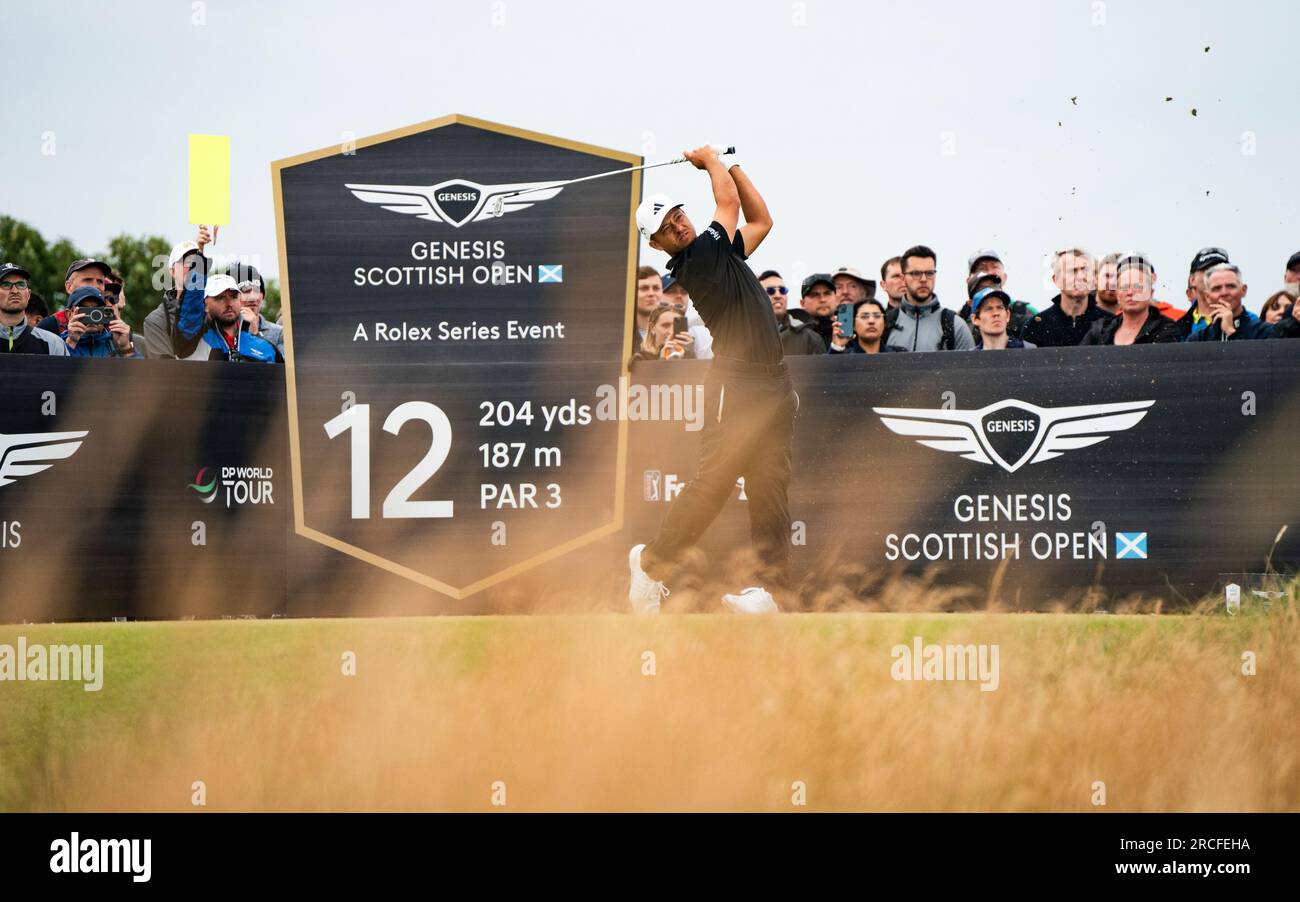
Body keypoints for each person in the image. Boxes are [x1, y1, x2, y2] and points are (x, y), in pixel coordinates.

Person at [629, 145, 794, 616]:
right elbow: (729, 205)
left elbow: (761, 221)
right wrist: (711, 162)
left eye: (678, 214)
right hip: (736, 384)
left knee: (770, 486)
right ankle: (651, 565)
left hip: (774, 384)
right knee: (714, 483)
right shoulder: (700, 256)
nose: (679, 224)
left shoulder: (720, 252)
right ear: (658, 245)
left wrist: (735, 163)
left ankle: (770, 592)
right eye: (667, 227)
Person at [171, 258, 282, 362]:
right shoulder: (193, 340)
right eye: (220, 298)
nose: (229, 304)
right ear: (204, 305)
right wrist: (199, 257)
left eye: (234, 297)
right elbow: (190, 306)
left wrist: (256, 335)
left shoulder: (266, 347)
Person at [884, 245, 974, 352]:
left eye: (929, 273)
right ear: (903, 279)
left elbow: (971, 368)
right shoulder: (884, 325)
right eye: (916, 273)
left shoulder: (955, 326)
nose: (923, 279)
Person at [1080, 256, 1180, 345]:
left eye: (1137, 286)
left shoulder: (1165, 329)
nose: (1130, 292)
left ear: (1151, 292)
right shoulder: (1100, 330)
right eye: (1124, 287)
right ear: (1118, 294)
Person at [1021, 248, 1110, 347]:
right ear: (1056, 280)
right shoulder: (1036, 326)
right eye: (1072, 271)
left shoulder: (1110, 323)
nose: (1080, 277)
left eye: (1085, 270)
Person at [1187, 264, 1298, 341]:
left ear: (1243, 290)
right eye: (1217, 288)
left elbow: (1258, 370)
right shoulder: (1197, 339)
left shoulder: (1265, 332)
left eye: (1231, 286)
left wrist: (1231, 331)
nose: (1224, 292)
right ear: (1207, 296)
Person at [142, 230, 208, 359]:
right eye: (186, 262)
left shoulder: (212, 311)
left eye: (196, 263)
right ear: (172, 271)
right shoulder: (154, 321)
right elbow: (164, 370)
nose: (192, 267)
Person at [961, 249, 1036, 335]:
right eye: (981, 269)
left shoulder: (1025, 311)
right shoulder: (957, 321)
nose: (989, 272)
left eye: (994, 267)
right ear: (969, 280)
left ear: (1005, 276)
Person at [0, 262, 66, 355]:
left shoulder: (53, 344)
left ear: (28, 294)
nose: (15, 291)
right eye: (6, 285)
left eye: (21, 284)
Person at [224, 262, 285, 359]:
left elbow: (282, 370)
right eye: (245, 290)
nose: (252, 297)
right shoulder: (220, 330)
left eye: (257, 290)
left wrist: (255, 336)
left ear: (263, 295)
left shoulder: (279, 332)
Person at [59, 286, 141, 357]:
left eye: (97, 309)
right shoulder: (56, 342)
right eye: (85, 310)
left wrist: (126, 348)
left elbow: (140, 373)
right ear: (69, 314)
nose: (93, 315)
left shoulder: (116, 341)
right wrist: (70, 343)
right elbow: (56, 371)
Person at [760, 269, 825, 355]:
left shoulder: (811, 339)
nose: (778, 295)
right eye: (770, 291)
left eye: (782, 290)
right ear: (757, 297)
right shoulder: (742, 335)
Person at [1173, 246, 1231, 339]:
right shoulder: (1176, 329)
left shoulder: (1249, 321)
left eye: (1221, 270)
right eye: (1208, 270)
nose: (1215, 275)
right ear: (1192, 280)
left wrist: (1231, 332)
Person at [661, 273, 714, 358]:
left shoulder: (703, 337)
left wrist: (690, 354)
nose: (679, 296)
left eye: (684, 291)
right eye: (671, 291)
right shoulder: (643, 333)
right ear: (658, 295)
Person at [828, 297, 904, 354]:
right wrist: (837, 347)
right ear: (853, 325)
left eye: (877, 316)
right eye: (864, 317)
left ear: (884, 323)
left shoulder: (900, 354)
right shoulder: (843, 357)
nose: (871, 321)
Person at [970, 288, 1035, 349]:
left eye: (1000, 308)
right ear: (975, 319)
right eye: (988, 309)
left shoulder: (1029, 350)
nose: (996, 313)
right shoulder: (969, 358)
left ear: (1007, 315)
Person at [789, 272, 837, 348]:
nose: (822, 299)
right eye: (814, 294)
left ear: (836, 298)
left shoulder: (851, 332)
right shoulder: (792, 334)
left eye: (827, 293)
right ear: (802, 303)